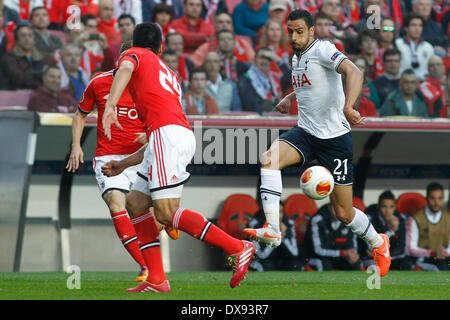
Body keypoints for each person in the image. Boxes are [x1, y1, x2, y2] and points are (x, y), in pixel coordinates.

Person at [102, 22, 257, 292]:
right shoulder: (168, 72)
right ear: (162, 47)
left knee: (165, 213)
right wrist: (123, 164)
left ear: (135, 45)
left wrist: (110, 106)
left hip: (168, 137)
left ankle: (238, 247)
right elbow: (160, 134)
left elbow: (126, 68)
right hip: (169, 136)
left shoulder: (134, 55)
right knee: (136, 202)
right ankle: (157, 279)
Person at [243, 9, 391, 277]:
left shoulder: (323, 49)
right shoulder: (295, 56)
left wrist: (349, 106)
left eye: (299, 31)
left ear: (311, 31)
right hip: (306, 133)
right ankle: (273, 229)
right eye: (290, 31)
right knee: (269, 159)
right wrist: (290, 98)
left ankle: (379, 243)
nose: (293, 37)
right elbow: (312, 86)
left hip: (335, 141)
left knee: (344, 213)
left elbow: (354, 72)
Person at [66, 40, 179, 283]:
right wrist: (76, 146)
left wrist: (149, 134)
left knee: (153, 214)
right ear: (120, 58)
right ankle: (145, 267)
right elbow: (80, 114)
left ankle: (165, 221)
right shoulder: (99, 82)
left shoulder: (150, 85)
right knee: (117, 205)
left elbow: (168, 118)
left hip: (142, 157)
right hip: (109, 157)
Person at [302, 203, 362, 271]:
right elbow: (317, 250)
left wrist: (353, 255)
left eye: (342, 208)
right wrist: (342, 253)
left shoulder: (350, 220)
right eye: (336, 208)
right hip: (317, 257)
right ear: (329, 207)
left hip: (341, 257)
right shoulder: (318, 220)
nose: (339, 212)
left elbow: (352, 247)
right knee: (324, 264)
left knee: (356, 263)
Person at [362, 191, 413, 270]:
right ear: (378, 207)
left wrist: (384, 256)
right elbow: (371, 249)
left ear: (395, 207)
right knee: (374, 267)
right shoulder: (369, 218)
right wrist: (391, 231)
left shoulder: (400, 219)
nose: (388, 211)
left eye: (391, 207)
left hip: (392, 258)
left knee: (407, 264)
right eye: (384, 206)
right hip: (372, 259)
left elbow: (402, 249)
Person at [407, 182, 450, 271]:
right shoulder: (415, 218)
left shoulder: (448, 218)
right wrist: (432, 253)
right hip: (423, 259)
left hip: (444, 258)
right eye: (432, 198)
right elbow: (410, 249)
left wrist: (444, 253)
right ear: (426, 199)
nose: (436, 202)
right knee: (442, 268)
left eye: (440, 198)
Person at [248, 201, 301, 272]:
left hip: (279, 259)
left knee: (296, 265)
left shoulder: (287, 223)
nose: (278, 216)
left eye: (280, 212)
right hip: (261, 260)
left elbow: (294, 253)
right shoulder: (255, 225)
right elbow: (261, 255)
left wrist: (283, 235)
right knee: (264, 265)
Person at [190, 12, 255, 67]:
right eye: (220, 22)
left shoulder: (244, 44)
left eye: (228, 22)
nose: (224, 24)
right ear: (215, 27)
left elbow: (254, 65)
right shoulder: (206, 47)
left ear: (232, 27)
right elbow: (194, 65)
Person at [238, 47, 287, 114]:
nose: (264, 61)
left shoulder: (276, 77)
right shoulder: (247, 78)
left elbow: (291, 81)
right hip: (259, 118)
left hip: (279, 115)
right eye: (261, 58)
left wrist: (278, 60)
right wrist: (264, 115)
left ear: (271, 62)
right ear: (254, 60)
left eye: (268, 58)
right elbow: (249, 101)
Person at [1, 24, 49, 90]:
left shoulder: (42, 57)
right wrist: (39, 74)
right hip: (15, 95)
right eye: (23, 36)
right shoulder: (9, 58)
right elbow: (19, 79)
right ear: (17, 40)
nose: (27, 39)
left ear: (34, 40)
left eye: (30, 35)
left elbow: (49, 78)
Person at [395, 13, 434, 81]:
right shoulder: (398, 44)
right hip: (403, 82)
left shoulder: (428, 47)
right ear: (406, 28)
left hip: (423, 83)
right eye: (413, 25)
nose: (417, 28)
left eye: (420, 25)